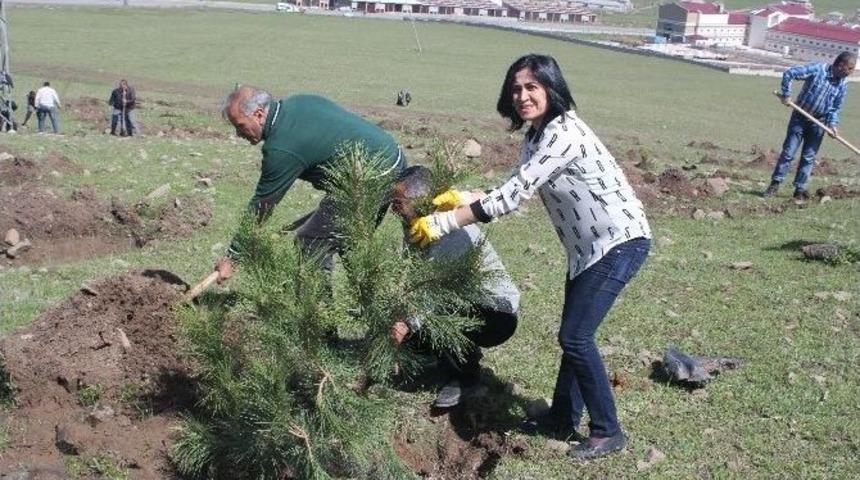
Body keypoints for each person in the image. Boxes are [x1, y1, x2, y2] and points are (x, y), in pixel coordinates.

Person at [409, 54, 651, 460]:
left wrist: (447, 222)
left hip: (619, 241)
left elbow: (511, 198)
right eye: (516, 88)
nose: (522, 96)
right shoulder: (537, 136)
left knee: (575, 337)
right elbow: (514, 186)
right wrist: (466, 198)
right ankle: (561, 418)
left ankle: (608, 431)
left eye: (532, 87)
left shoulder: (564, 133)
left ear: (552, 89)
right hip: (587, 250)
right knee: (575, 336)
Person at [214, 85, 406, 282]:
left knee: (311, 240)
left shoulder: (281, 148)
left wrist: (233, 256)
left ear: (259, 114)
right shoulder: (298, 101)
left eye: (240, 126)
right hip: (392, 159)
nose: (239, 134)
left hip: (371, 178)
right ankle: (370, 305)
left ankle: (319, 310)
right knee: (350, 242)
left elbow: (262, 205)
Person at [389, 165, 519, 408]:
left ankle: (467, 378)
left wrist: (406, 323)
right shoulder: (417, 224)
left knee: (434, 318)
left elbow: (432, 292)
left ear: (422, 200)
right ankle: (451, 354)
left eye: (400, 202)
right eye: (394, 202)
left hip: (496, 314)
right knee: (416, 333)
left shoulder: (448, 233)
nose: (394, 209)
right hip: (459, 303)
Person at [764, 51, 856, 201]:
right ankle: (774, 184)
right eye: (850, 69)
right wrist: (786, 95)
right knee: (788, 153)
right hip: (800, 118)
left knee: (808, 157)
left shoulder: (843, 84)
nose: (851, 73)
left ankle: (799, 190)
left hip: (819, 123)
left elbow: (835, 108)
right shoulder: (817, 70)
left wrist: (832, 125)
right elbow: (790, 73)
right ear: (840, 65)